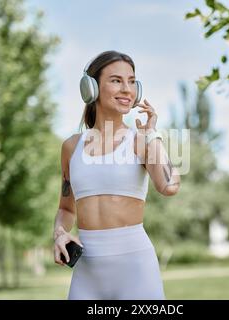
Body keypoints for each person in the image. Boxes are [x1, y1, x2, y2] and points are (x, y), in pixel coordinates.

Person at [53, 50, 181, 300]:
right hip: (87, 274)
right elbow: (66, 210)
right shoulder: (71, 147)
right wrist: (59, 233)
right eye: (116, 80)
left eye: (132, 81)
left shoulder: (140, 141)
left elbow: (169, 185)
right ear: (90, 88)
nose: (127, 89)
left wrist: (152, 135)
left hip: (136, 270)